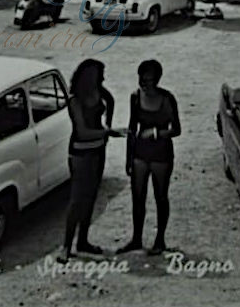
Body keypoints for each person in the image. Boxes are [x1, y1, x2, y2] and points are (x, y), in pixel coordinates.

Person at [117, 59, 181, 256]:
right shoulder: (135, 97)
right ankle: (137, 238)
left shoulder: (167, 98)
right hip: (140, 154)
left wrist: (155, 133)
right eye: (141, 79)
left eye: (148, 80)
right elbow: (131, 128)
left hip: (161, 154)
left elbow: (176, 130)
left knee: (160, 197)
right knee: (138, 197)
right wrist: (128, 158)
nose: (143, 84)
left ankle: (160, 239)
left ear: (157, 80)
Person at [58, 59, 118, 263]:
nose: (102, 78)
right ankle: (66, 245)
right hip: (80, 153)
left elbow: (111, 101)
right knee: (77, 198)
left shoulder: (99, 91)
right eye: (99, 74)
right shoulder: (75, 100)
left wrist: (108, 124)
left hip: (98, 150)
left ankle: (82, 241)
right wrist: (107, 131)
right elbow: (82, 132)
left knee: (91, 196)